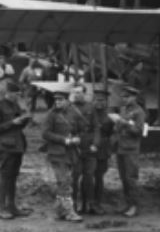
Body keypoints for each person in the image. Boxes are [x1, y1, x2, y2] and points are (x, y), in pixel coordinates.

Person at [41, 86, 86, 222]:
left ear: (67, 100)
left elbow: (83, 127)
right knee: (64, 181)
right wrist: (64, 140)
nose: (58, 102)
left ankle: (59, 211)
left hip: (70, 153)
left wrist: (77, 137)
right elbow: (45, 133)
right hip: (56, 153)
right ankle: (69, 212)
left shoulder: (74, 112)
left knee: (64, 181)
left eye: (61, 100)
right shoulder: (51, 114)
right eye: (56, 100)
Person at [0, 80, 32, 219]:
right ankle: (2, 208)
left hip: (18, 145)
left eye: (18, 94)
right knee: (5, 176)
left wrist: (25, 118)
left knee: (13, 176)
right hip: (6, 146)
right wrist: (12, 122)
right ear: (8, 93)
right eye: (15, 94)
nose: (17, 96)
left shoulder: (16, 105)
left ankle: (12, 207)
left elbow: (20, 125)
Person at [109, 85, 146, 217]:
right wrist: (116, 124)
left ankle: (134, 205)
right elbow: (118, 127)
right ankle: (128, 203)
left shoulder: (139, 112)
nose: (124, 99)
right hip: (121, 147)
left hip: (131, 148)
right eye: (123, 97)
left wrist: (124, 122)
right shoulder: (123, 109)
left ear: (134, 97)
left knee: (131, 178)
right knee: (124, 178)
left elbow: (138, 131)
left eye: (127, 97)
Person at [86, 85, 115, 215]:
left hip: (103, 149)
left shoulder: (110, 116)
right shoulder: (88, 113)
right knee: (87, 176)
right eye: (97, 100)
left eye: (102, 100)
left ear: (106, 101)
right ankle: (87, 203)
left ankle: (97, 203)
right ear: (93, 100)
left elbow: (114, 133)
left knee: (99, 176)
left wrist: (111, 144)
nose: (99, 103)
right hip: (89, 147)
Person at [70, 86, 96, 214]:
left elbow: (96, 128)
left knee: (88, 177)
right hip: (75, 147)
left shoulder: (91, 108)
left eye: (79, 92)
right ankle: (74, 204)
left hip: (89, 146)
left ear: (84, 94)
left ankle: (88, 204)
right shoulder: (69, 108)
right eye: (74, 92)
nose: (76, 95)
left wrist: (95, 144)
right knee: (74, 176)